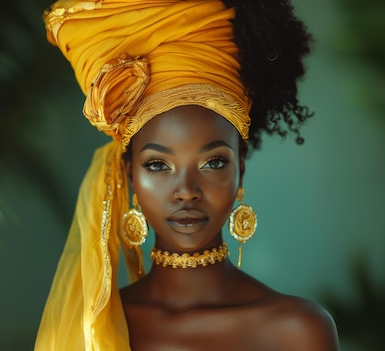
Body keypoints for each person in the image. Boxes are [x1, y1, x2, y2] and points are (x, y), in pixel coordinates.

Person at [35, 0, 340, 350]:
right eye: (158, 165)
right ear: (129, 173)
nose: (186, 191)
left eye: (213, 162)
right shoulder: (90, 328)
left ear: (240, 167)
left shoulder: (297, 331)